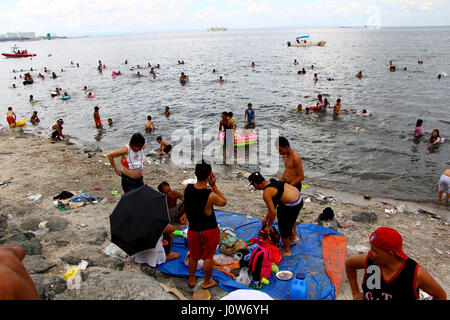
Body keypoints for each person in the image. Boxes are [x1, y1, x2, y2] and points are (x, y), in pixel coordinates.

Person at [345, 227, 447, 300]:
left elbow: (440, 295)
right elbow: (349, 264)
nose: (370, 253)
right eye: (370, 248)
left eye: (375, 251)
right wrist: (355, 293)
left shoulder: (414, 273)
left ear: (390, 254)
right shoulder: (370, 261)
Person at [184, 160, 227, 289]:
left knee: (193, 255)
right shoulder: (210, 195)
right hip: (209, 229)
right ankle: (207, 282)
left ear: (195, 173)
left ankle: (191, 279)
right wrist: (214, 186)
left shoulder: (187, 188)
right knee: (208, 257)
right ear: (210, 175)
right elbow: (224, 202)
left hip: (193, 229)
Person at [248, 172, 303, 256]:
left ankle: (286, 250)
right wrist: (266, 218)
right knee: (284, 216)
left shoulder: (266, 193)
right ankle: (293, 237)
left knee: (283, 225)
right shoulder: (271, 181)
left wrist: (269, 226)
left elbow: (273, 213)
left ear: (255, 184)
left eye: (253, 185)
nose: (254, 187)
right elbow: (273, 205)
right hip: (298, 197)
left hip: (293, 204)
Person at [277, 137, 305, 241]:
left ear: (287, 147)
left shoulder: (296, 158)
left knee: (291, 213)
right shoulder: (285, 156)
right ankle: (290, 234)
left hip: (294, 186)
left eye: (281, 150)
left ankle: (292, 236)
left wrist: (290, 186)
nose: (280, 153)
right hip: (286, 183)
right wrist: (280, 180)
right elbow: (287, 169)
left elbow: (301, 176)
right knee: (284, 210)